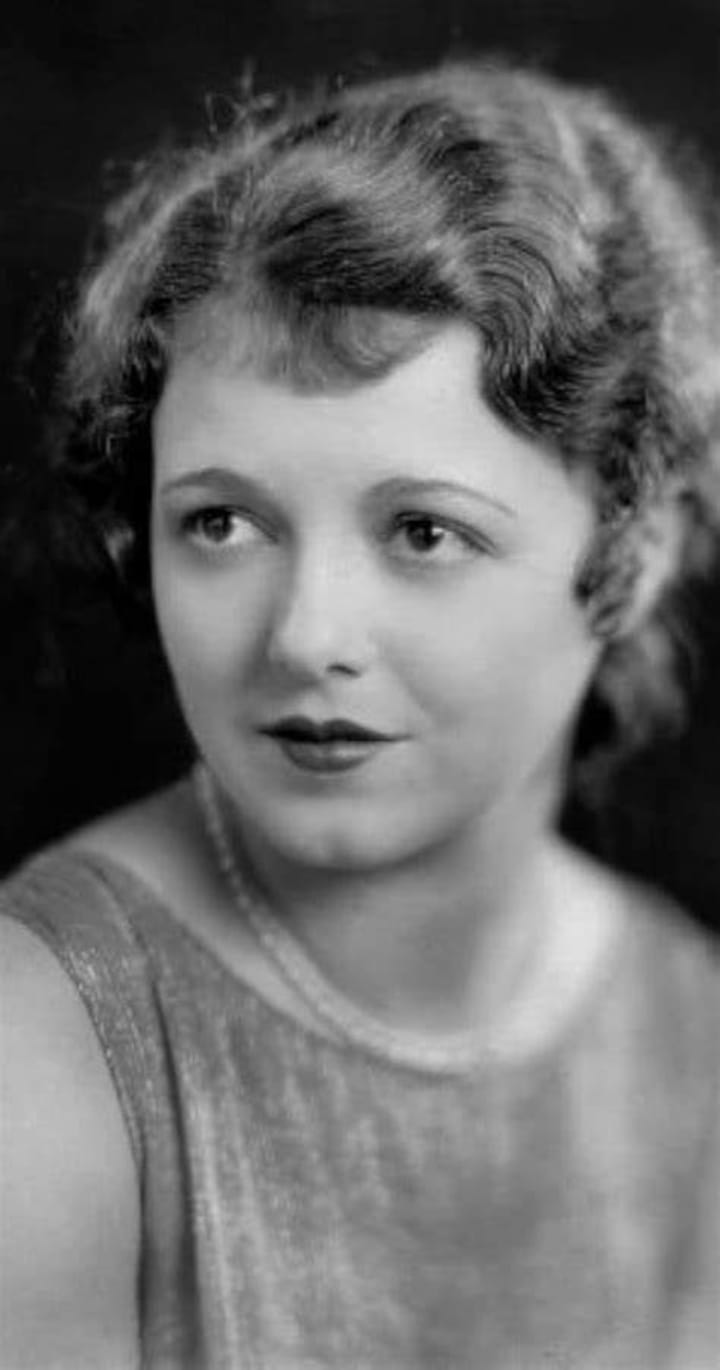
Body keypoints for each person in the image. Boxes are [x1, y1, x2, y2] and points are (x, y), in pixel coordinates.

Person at [1, 53, 719, 1370]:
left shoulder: (688, 1029)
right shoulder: (39, 1043)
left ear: (636, 549)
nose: (305, 636)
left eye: (424, 532)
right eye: (221, 522)